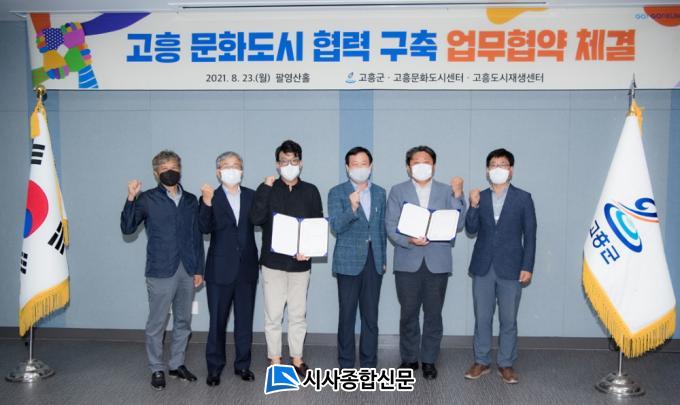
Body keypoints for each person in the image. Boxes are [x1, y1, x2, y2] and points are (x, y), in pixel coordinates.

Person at [120, 150, 204, 390]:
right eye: (165, 168)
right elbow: (128, 227)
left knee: (183, 321)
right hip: (160, 270)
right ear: (156, 173)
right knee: (157, 323)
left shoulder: (191, 200)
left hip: (187, 269)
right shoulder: (147, 199)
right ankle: (156, 367)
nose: (170, 172)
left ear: (180, 169)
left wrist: (199, 268)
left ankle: (177, 364)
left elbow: (196, 236)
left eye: (174, 167)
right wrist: (131, 197)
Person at [385, 145, 466, 380]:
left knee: (433, 314)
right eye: (416, 162)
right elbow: (390, 225)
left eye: (427, 162)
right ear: (408, 167)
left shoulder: (447, 190)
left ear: (434, 166)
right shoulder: (398, 190)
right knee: (408, 313)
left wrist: (458, 195)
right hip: (407, 261)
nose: (422, 166)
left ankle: (429, 359)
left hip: (437, 262)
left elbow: (459, 224)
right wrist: (408, 239)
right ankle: (409, 358)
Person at [250, 139, 323, 377]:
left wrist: (309, 249)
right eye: (284, 161)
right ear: (277, 164)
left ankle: (297, 358)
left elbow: (316, 225)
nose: (289, 165)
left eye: (293, 161)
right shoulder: (268, 188)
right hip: (272, 263)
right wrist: (265, 188)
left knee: (298, 314)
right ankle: (274, 358)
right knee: (273, 315)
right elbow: (256, 219)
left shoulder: (311, 190)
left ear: (301, 163)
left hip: (300, 264)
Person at [463, 148, 536, 384]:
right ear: (487, 171)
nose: (498, 169)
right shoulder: (480, 197)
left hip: (512, 267)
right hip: (483, 266)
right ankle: (481, 361)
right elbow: (471, 229)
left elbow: (530, 235)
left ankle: (506, 363)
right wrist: (473, 206)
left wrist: (527, 266)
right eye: (493, 165)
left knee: (508, 319)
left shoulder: (523, 198)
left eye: (503, 165)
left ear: (511, 170)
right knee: (482, 317)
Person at [198, 151, 259, 387]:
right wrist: (206, 202)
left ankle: (243, 365)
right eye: (227, 166)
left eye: (237, 165)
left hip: (247, 269)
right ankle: (214, 368)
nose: (232, 170)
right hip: (219, 270)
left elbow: (265, 221)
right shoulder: (210, 196)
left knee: (244, 321)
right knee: (217, 322)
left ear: (242, 170)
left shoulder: (252, 196)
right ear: (218, 171)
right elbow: (204, 227)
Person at [328, 146, 387, 369]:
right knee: (347, 315)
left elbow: (381, 229)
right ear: (347, 167)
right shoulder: (337, 192)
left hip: (374, 260)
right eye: (355, 164)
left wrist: (383, 258)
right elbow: (336, 226)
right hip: (348, 262)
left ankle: (369, 364)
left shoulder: (380, 192)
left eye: (364, 164)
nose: (360, 168)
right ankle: (346, 364)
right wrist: (352, 208)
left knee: (371, 316)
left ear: (370, 166)